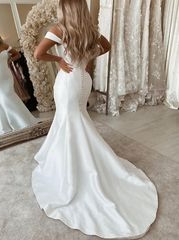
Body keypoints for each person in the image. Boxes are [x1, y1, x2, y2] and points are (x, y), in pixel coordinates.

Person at [31, 0, 158, 239]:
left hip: (68, 82)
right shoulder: (90, 31)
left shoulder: (60, 29)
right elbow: (106, 46)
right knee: (75, 121)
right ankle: (74, 156)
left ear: (65, 9)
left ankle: (75, 167)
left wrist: (58, 60)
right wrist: (87, 59)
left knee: (72, 122)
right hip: (82, 80)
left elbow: (38, 53)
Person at [0, 26, 39, 136]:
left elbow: (17, 54)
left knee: (10, 95)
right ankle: (9, 123)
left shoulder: (4, 45)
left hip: (7, 75)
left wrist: (9, 60)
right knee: (2, 97)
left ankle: (20, 120)